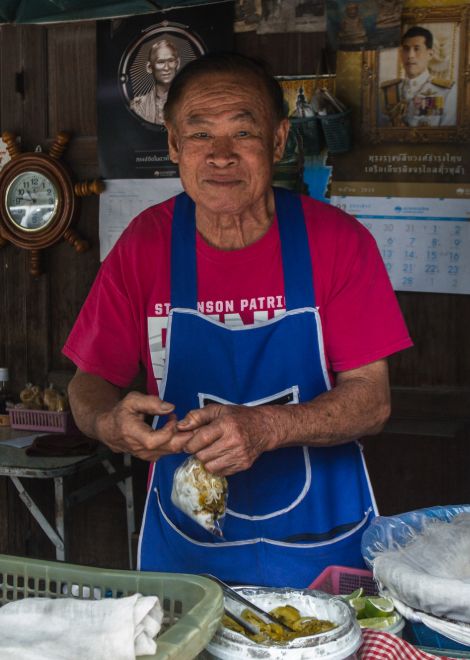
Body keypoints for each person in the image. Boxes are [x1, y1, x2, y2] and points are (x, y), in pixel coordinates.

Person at [64, 52, 412, 587]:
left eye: (242, 132)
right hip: (187, 548)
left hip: (326, 540)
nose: (221, 156)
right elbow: (88, 384)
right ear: (175, 145)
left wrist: (266, 427)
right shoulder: (145, 246)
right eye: (200, 135)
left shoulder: (337, 242)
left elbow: (372, 400)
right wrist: (108, 424)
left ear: (277, 140)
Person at [380, 26, 457, 127]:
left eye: (417, 49)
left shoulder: (446, 92)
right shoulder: (387, 90)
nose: (410, 55)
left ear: (430, 54)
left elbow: (448, 134)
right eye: (406, 49)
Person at [130, 39, 180, 125]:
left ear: (177, 63)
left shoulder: (191, 102)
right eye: (160, 62)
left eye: (171, 61)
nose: (166, 68)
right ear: (149, 67)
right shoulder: (138, 107)